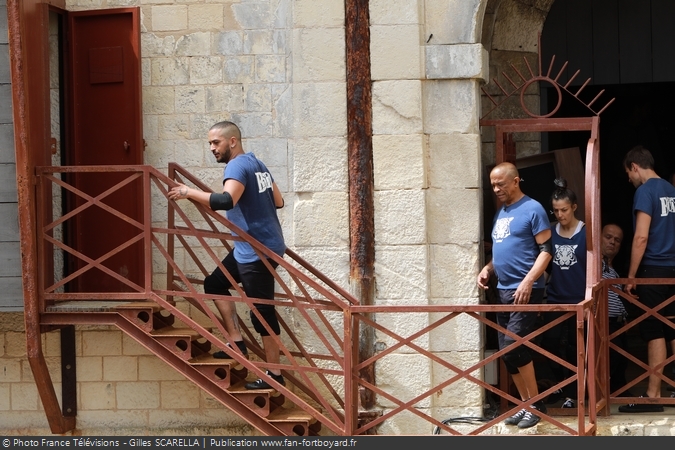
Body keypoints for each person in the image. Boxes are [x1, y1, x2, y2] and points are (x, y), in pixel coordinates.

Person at [168, 121, 287, 390]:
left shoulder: (236, 166)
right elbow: (278, 201)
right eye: (210, 143)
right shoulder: (258, 164)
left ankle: (275, 377)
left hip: (257, 251)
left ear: (232, 141)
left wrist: (188, 192)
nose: (212, 148)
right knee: (215, 284)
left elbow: (226, 201)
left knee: (262, 314)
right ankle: (237, 342)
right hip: (257, 246)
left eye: (216, 143)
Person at [477, 162, 553, 429]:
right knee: (506, 353)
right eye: (493, 185)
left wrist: (529, 281)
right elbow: (502, 252)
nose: (496, 189)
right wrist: (487, 268)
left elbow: (546, 250)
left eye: (500, 184)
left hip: (525, 292)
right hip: (503, 291)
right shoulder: (502, 213)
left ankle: (537, 405)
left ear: (516, 181)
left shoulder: (533, 209)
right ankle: (525, 404)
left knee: (514, 346)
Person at [620, 145, 675, 412]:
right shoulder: (672, 191)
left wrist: (630, 277)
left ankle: (653, 396)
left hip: (653, 270)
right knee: (671, 328)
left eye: (628, 174)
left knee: (653, 330)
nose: (629, 180)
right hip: (674, 271)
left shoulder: (645, 191)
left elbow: (641, 237)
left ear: (634, 166)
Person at [540, 179, 586, 409]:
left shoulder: (586, 233)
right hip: (556, 299)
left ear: (574, 207)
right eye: (556, 210)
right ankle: (562, 386)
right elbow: (545, 266)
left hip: (580, 301)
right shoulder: (549, 233)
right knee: (549, 344)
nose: (560, 214)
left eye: (564, 210)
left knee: (577, 349)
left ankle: (576, 393)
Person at [600, 223, 630, 396]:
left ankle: (619, 393)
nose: (612, 242)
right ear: (599, 237)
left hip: (619, 324)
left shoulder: (614, 271)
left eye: (617, 240)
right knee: (612, 359)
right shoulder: (595, 265)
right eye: (608, 237)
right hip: (604, 323)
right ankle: (606, 397)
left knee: (622, 361)